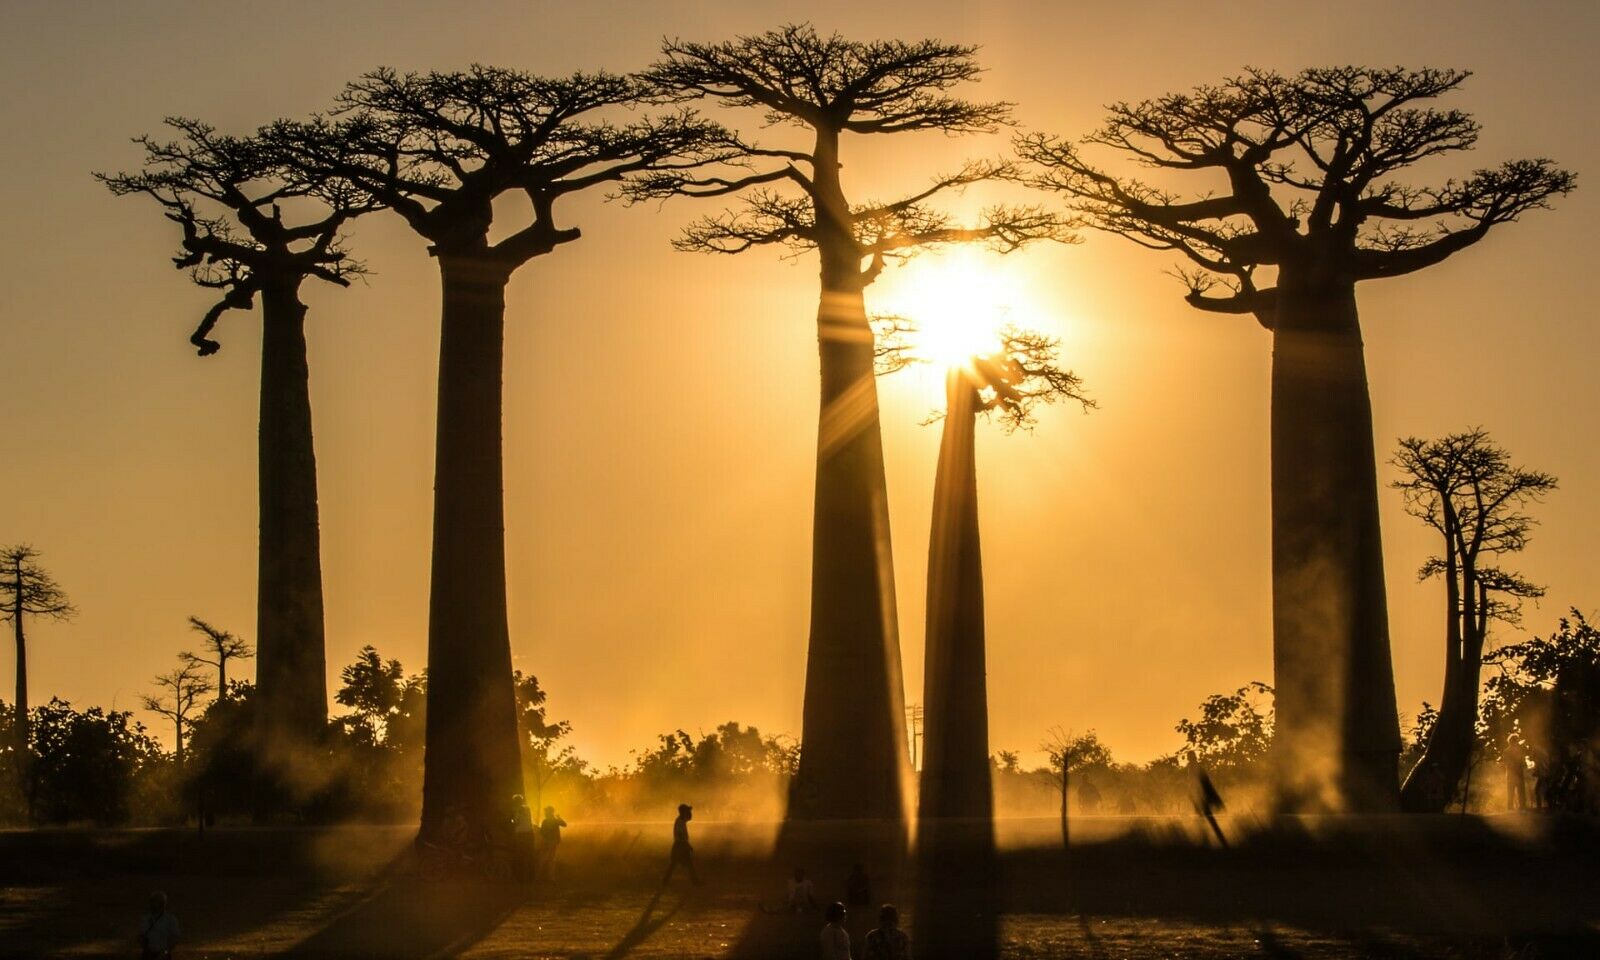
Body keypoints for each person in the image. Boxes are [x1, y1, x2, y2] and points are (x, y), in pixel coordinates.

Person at [1188, 751, 1227, 848]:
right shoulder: (1195, 767)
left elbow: (1200, 783)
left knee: (1208, 819)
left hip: (1203, 797)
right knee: (1207, 819)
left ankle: (1215, 841)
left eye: (1190, 757)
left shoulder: (1194, 768)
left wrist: (1196, 798)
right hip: (1203, 797)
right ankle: (1211, 841)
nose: (1190, 759)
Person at [662, 802, 703, 885]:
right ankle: (695, 881)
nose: (690, 813)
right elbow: (681, 837)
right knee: (686, 864)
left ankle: (665, 881)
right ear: (684, 813)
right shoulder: (680, 823)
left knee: (675, 864)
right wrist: (687, 845)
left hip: (679, 845)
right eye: (688, 811)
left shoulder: (681, 821)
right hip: (680, 846)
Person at [137, 891, 179, 960]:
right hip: (149, 954)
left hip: (162, 954)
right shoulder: (146, 918)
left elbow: (175, 938)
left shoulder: (170, 919)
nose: (153, 904)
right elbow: (141, 935)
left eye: (156, 901)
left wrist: (165, 951)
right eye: (153, 901)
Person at [510, 794, 536, 880]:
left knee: (521, 854)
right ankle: (531, 874)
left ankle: (521, 875)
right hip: (530, 833)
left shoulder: (517, 810)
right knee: (529, 853)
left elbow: (515, 821)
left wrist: (511, 820)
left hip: (521, 834)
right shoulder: (527, 808)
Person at [539, 805, 568, 878]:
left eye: (545, 812)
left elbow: (541, 832)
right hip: (553, 841)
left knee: (543, 858)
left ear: (548, 813)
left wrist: (543, 838)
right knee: (551, 859)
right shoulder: (555, 820)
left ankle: (538, 876)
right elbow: (564, 824)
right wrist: (559, 818)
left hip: (546, 841)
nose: (545, 813)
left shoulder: (545, 821)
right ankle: (551, 877)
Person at [1505, 733, 1529, 810]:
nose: (1517, 742)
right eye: (1516, 741)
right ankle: (1521, 806)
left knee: (1511, 791)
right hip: (1516, 773)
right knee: (1520, 791)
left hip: (1511, 773)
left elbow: (1507, 763)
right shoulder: (1517, 751)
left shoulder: (1507, 751)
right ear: (1513, 741)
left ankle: (1511, 807)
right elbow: (1523, 763)